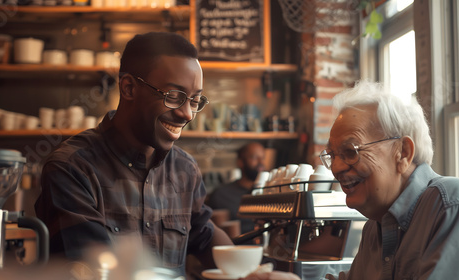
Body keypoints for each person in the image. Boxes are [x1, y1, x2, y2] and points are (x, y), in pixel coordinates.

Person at [35, 31, 300, 280]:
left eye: (195, 100)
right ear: (128, 88)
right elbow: (93, 268)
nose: (187, 114)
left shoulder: (184, 169)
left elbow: (204, 236)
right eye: (174, 96)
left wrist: (251, 274)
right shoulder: (73, 167)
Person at [320, 80, 459, 279]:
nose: (336, 168)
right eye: (332, 155)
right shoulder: (375, 226)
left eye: (351, 151)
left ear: (403, 153)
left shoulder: (448, 206)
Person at [206, 142, 266, 235]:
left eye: (262, 158)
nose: (261, 163)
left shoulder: (269, 192)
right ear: (240, 162)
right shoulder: (221, 195)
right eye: (254, 158)